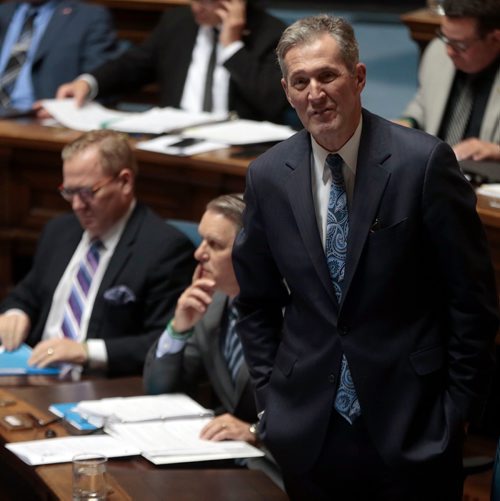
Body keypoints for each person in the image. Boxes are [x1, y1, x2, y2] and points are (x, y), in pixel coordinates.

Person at [232, 14, 499, 500]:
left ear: (358, 78)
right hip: (307, 431)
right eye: (301, 81)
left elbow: (472, 301)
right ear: (287, 92)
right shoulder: (268, 176)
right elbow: (256, 302)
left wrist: (457, 412)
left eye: (328, 75)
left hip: (413, 427)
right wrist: (271, 401)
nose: (316, 93)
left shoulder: (423, 163)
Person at [0, 130, 195, 377]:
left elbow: (165, 342)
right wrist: (15, 313)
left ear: (125, 182)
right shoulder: (59, 231)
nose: (76, 205)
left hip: (100, 386)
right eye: (69, 192)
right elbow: (28, 293)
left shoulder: (164, 249)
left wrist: (87, 352)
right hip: (34, 374)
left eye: (87, 192)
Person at [143, 193, 282, 488]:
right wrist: (178, 329)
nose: (198, 254)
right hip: (226, 460)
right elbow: (158, 389)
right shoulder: (212, 304)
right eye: (201, 240)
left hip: (279, 468)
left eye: (215, 245)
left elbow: (314, 412)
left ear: (253, 251)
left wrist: (257, 431)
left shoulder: (291, 314)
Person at [55, 0, 288, 124]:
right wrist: (88, 83)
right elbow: (133, 65)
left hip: (238, 151)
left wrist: (233, 46)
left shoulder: (271, 32)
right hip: (175, 139)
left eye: (208, 0)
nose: (197, 7)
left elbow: (271, 101)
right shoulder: (177, 22)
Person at [398, 0, 500, 161]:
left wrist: (495, 150)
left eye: (460, 45)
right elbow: (423, 103)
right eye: (444, 38)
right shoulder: (437, 51)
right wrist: (408, 124)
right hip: (435, 173)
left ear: (495, 38)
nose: (448, 51)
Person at [0, 0, 121, 113]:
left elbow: (100, 82)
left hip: (41, 120)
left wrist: (63, 110)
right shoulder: (4, 11)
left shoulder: (89, 17)